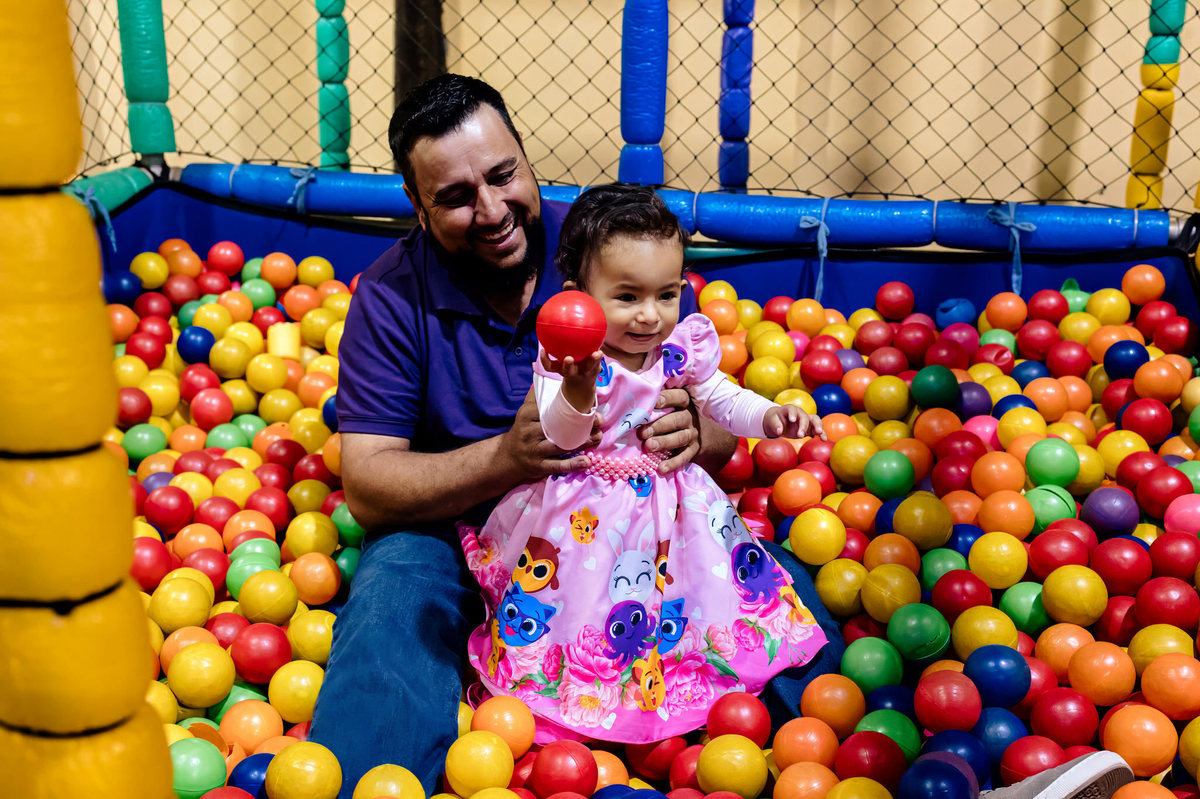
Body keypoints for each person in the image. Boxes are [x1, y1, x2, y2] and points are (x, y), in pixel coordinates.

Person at [308, 73, 843, 797]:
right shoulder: (391, 295)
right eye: (457, 196)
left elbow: (708, 421)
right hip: (458, 526)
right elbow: (371, 486)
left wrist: (697, 430)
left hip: (633, 531)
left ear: (526, 159)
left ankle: (839, 767)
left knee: (780, 618)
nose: (492, 211)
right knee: (391, 610)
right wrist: (505, 459)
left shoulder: (612, 247)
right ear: (416, 203)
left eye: (503, 175)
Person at [458, 184, 828, 743]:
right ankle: (583, 697)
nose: (650, 316)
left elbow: (722, 398)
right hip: (584, 520)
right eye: (627, 296)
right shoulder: (565, 358)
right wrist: (578, 388)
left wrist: (770, 416)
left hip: (670, 512)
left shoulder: (680, 349)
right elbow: (560, 434)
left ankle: (686, 685)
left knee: (686, 603)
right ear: (579, 297)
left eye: (667, 294)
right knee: (580, 611)